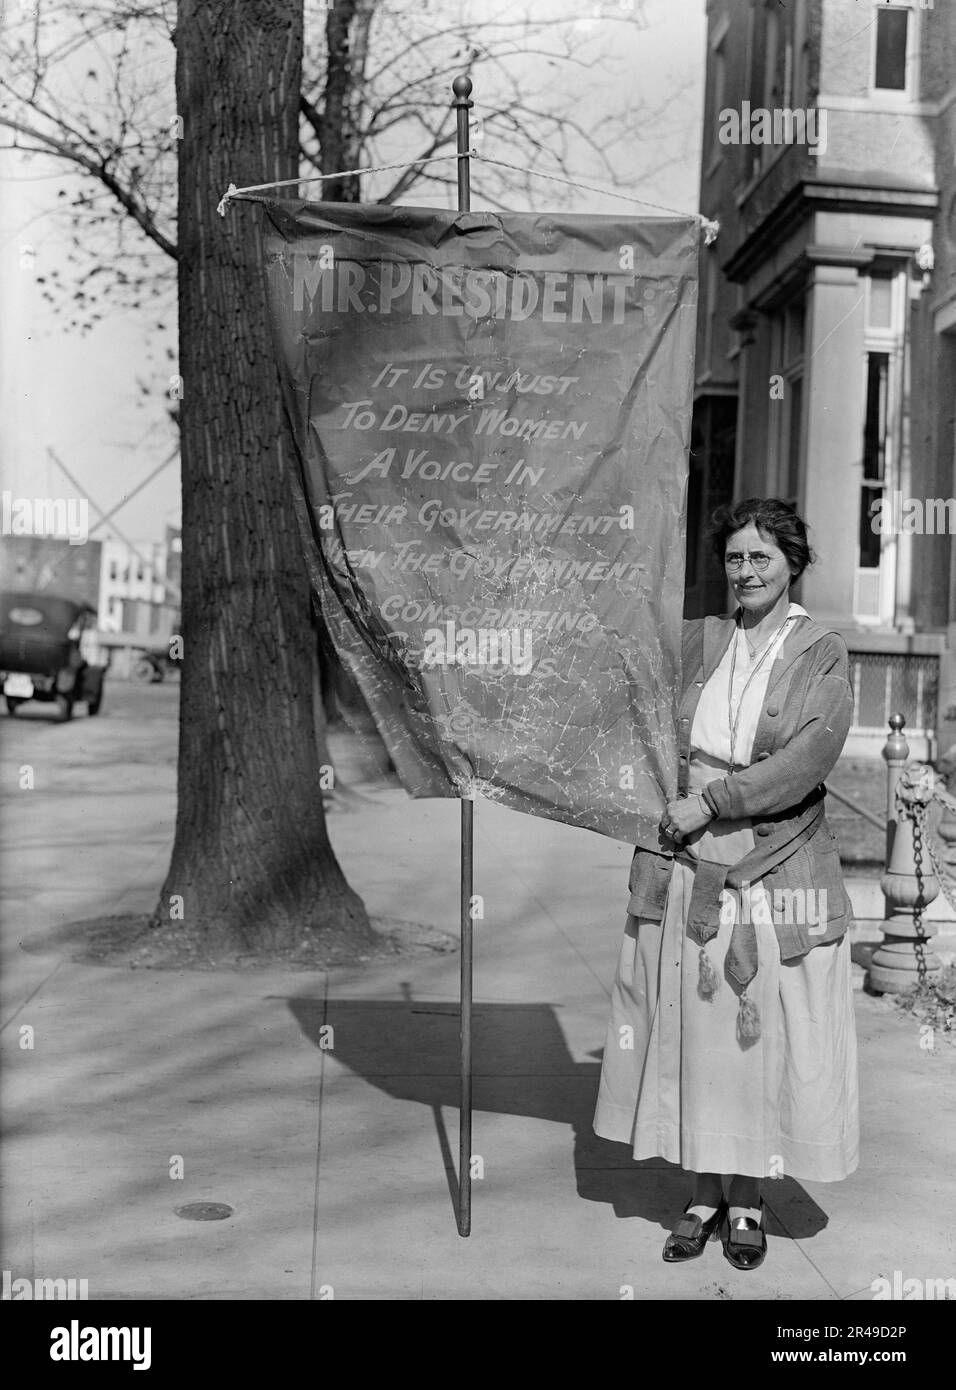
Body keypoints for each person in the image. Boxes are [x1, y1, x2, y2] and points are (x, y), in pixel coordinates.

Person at [593, 497, 859, 1270]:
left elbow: (808, 757)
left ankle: (747, 1197)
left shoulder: (821, 654)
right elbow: (637, 711)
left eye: (761, 559)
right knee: (696, 1033)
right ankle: (705, 1191)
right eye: (736, 558)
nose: (745, 572)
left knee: (756, 1032)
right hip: (684, 862)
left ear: (793, 565)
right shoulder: (700, 641)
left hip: (772, 868)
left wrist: (713, 800)